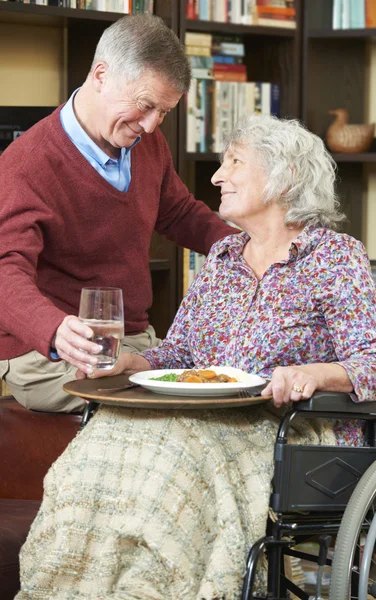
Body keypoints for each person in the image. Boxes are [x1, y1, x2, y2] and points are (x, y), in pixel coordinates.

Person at [16, 115, 376, 600]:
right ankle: (73, 586)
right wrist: (131, 364)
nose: (217, 177)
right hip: (201, 415)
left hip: (288, 427)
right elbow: (180, 353)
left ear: (285, 177)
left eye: (234, 162)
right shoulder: (220, 259)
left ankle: (155, 589)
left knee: (171, 461)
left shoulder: (336, 258)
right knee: (103, 438)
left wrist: (313, 374)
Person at [0, 14, 234, 413]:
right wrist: (53, 329)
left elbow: (177, 212)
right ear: (101, 75)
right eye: (145, 106)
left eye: (163, 112)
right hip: (50, 355)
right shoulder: (26, 164)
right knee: (164, 412)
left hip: (135, 343)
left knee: (226, 389)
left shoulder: (148, 142)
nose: (150, 125)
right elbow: (5, 270)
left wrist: (248, 244)